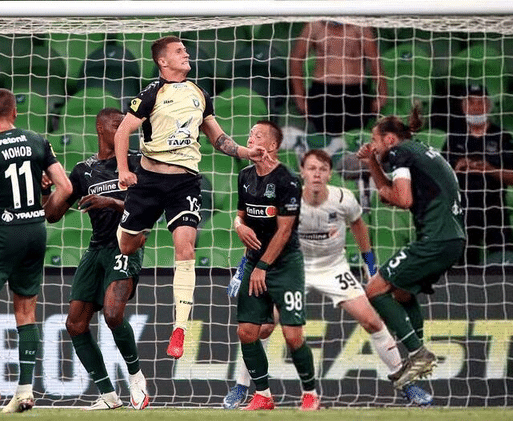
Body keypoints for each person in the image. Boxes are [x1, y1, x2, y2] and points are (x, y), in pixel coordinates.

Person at [223, 149, 433, 409]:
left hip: (334, 268)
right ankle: (242, 386)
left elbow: (359, 226)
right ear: (302, 172)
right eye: (312, 169)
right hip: (292, 268)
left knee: (371, 320)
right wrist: (244, 268)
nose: (317, 174)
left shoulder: (343, 198)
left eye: (322, 169)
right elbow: (262, 233)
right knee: (261, 327)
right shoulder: (288, 196)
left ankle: (407, 384)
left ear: (330, 174)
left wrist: (370, 266)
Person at [114, 35, 270, 359]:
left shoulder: (200, 93)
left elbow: (217, 137)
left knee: (185, 248)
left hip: (184, 183)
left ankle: (179, 329)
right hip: (147, 180)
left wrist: (245, 151)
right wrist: (121, 171)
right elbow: (121, 131)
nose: (186, 54)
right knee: (126, 244)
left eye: (185, 50)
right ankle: (136, 233)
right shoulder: (151, 94)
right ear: (163, 61)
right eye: (179, 51)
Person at [0, 88, 71, 413]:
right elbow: (65, 186)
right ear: (15, 112)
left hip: (3, 231)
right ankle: (24, 391)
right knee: (25, 311)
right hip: (36, 230)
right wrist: (43, 209)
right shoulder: (38, 140)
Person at [44, 108, 150, 411]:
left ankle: (136, 377)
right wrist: (46, 192)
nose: (122, 130)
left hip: (125, 245)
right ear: (100, 128)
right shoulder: (83, 169)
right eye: (116, 125)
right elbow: (52, 215)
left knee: (113, 314)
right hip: (96, 250)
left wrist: (111, 202)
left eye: (124, 126)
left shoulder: (136, 164)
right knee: (75, 324)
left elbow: (145, 208)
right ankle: (107, 394)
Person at [356, 108, 466, 390]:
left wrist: (385, 186)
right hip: (452, 239)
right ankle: (417, 355)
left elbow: (401, 199)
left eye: (375, 140)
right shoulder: (419, 151)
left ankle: (417, 353)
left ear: (390, 139)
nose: (373, 145)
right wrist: (372, 163)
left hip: (436, 239)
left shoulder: (399, 153)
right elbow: (392, 194)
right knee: (402, 292)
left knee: (375, 289)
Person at [227, 120, 319, 411]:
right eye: (250, 132)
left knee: (292, 336)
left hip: (284, 265)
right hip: (255, 263)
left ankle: (310, 393)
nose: (251, 136)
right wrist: (238, 225)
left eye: (259, 134)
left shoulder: (287, 180)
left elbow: (284, 231)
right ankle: (263, 394)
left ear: (272, 146)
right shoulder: (244, 175)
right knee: (247, 332)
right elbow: (240, 215)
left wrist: (262, 266)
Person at [443, 83, 513, 265]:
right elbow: (440, 177)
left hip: (494, 207)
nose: (476, 108)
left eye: (481, 103)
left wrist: (489, 169)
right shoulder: (454, 138)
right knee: (462, 265)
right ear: (463, 107)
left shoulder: (503, 137)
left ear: (489, 105)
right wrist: (457, 167)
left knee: (505, 261)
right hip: (463, 208)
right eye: (471, 103)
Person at [290, 21, 387, 138]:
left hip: (354, 93)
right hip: (323, 92)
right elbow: (296, 59)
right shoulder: (315, 26)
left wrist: (382, 96)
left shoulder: (360, 27)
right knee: (325, 142)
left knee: (353, 141)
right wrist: (299, 98)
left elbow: (375, 61)